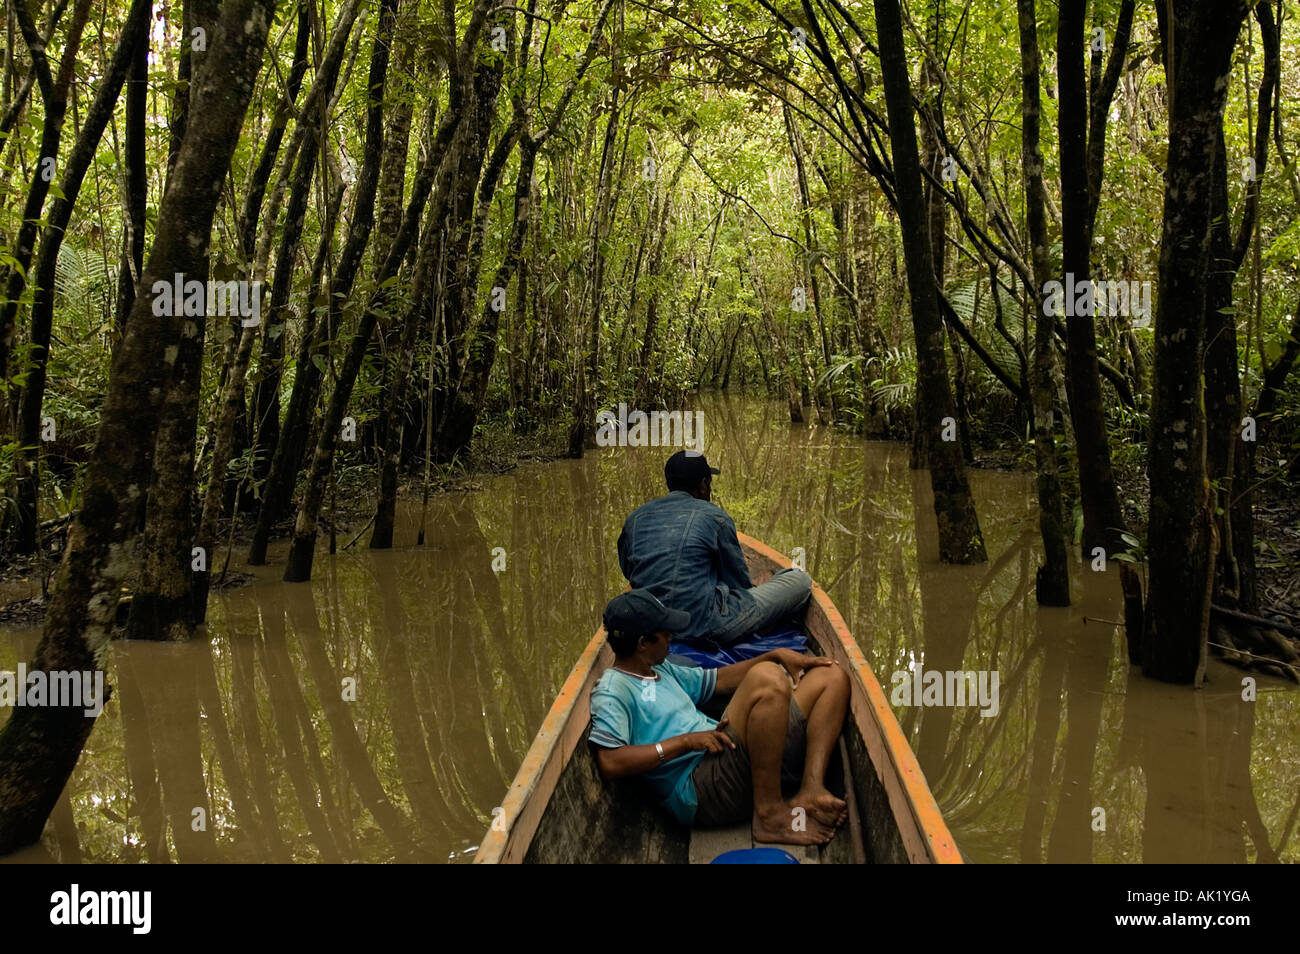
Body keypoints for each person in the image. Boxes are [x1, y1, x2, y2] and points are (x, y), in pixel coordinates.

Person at [589, 589, 851, 846]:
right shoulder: (614, 690)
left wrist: (775, 655)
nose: (671, 637)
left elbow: (718, 680)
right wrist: (685, 742)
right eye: (664, 633)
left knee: (831, 675)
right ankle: (769, 815)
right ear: (643, 643)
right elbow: (610, 762)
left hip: (725, 753)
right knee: (767, 679)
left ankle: (811, 788)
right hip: (700, 787)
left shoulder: (658, 667)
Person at [617, 449, 812, 646]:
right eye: (708, 483)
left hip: (650, 626)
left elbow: (630, 572)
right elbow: (740, 585)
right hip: (705, 627)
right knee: (799, 579)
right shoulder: (715, 517)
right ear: (703, 486)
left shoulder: (635, 519)